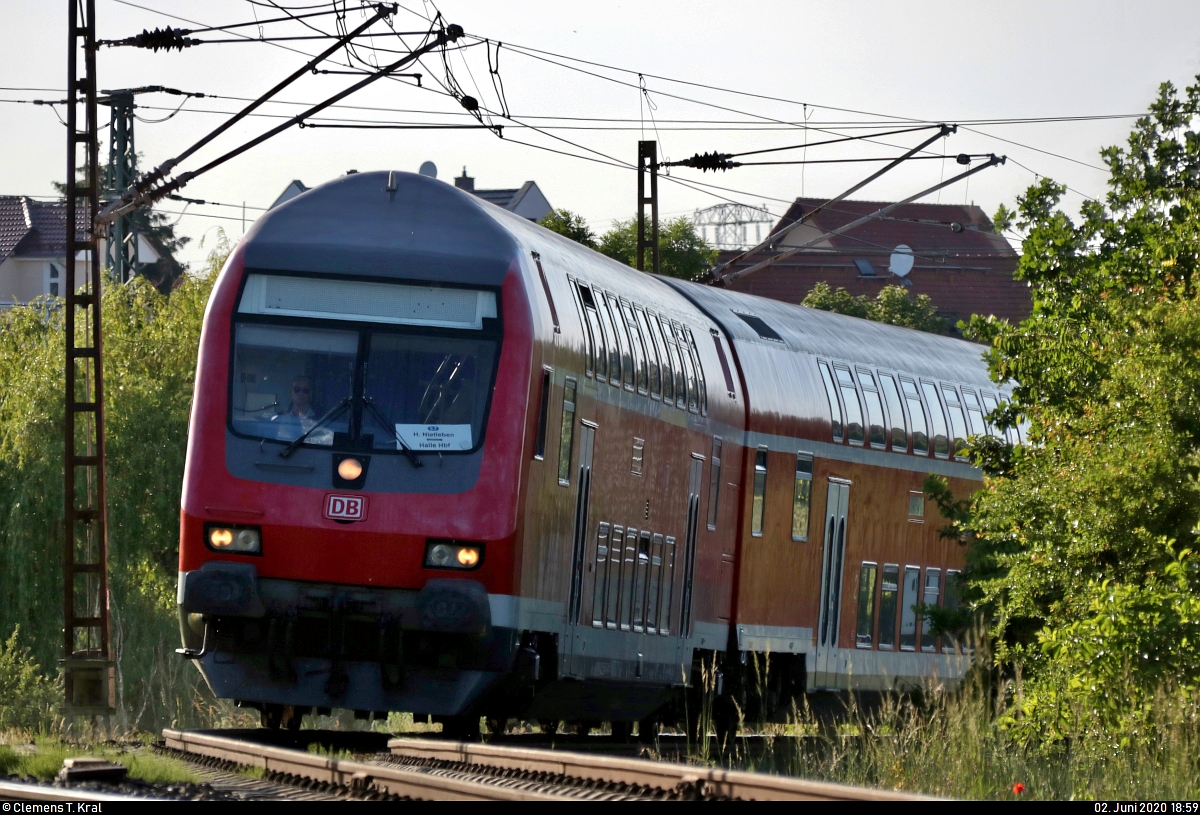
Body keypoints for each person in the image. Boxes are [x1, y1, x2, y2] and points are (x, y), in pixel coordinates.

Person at [271, 375, 319, 440]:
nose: (301, 393)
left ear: (310, 393)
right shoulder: (279, 418)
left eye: (305, 390)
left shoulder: (321, 418)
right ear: (290, 392)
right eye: (297, 389)